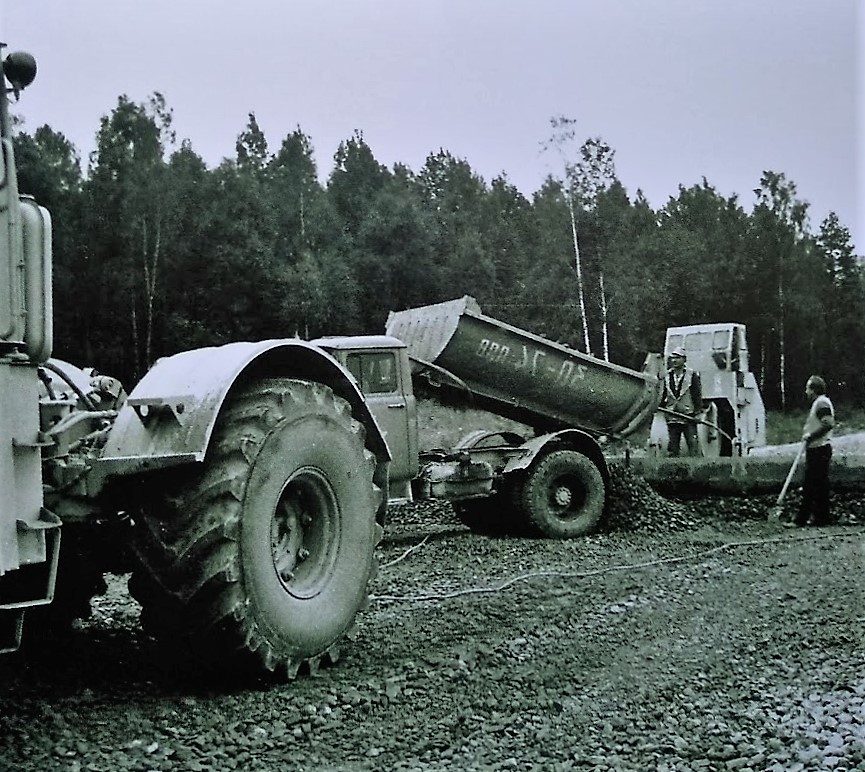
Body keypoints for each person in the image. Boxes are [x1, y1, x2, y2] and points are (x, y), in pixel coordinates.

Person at [784, 375, 834, 528]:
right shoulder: (819, 403)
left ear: (814, 390)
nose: (806, 391)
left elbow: (828, 424)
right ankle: (822, 518)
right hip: (817, 449)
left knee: (810, 485)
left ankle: (801, 520)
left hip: (819, 449)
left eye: (808, 388)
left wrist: (810, 436)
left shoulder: (821, 403)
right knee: (819, 485)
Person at [661, 346, 703, 457]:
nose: (674, 360)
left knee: (693, 444)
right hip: (672, 415)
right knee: (673, 446)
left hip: (688, 415)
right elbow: (663, 395)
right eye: (672, 358)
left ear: (684, 359)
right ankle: (674, 471)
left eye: (677, 358)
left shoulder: (691, 375)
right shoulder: (667, 376)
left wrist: (698, 412)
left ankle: (697, 468)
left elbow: (697, 394)